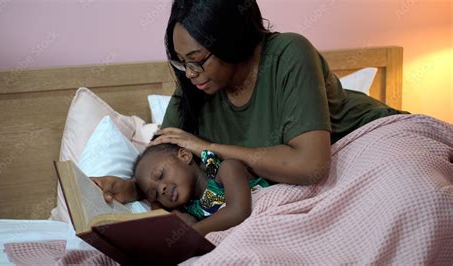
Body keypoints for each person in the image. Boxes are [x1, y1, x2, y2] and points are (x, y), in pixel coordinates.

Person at [93, 0, 406, 207]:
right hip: (304, 182)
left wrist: (210, 146)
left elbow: (312, 166)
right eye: (180, 62)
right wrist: (133, 188)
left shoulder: (289, 53)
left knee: (412, 196)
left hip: (373, 141)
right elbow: (167, 161)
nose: (189, 73)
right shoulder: (195, 85)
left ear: (230, 40)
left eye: (197, 60)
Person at [126, 143, 269, 236]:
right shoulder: (189, 210)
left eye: (160, 175)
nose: (161, 188)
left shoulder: (227, 169)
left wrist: (193, 231)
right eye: (155, 194)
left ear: (184, 156)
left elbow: (238, 211)